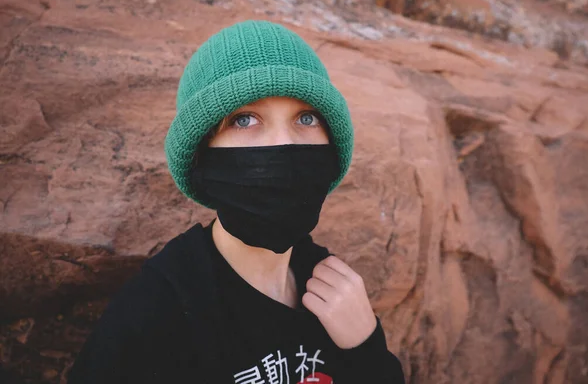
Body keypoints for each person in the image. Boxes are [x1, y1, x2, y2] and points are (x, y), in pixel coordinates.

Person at [68, 20, 405, 384]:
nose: (284, 144)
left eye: (306, 118)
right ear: (201, 155)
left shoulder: (332, 285)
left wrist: (366, 347)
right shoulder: (155, 314)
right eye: (245, 119)